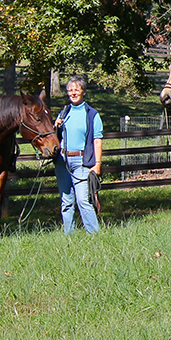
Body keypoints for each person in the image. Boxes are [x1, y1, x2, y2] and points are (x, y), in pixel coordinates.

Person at [54, 76, 102, 234]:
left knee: (82, 200)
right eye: (70, 90)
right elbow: (54, 137)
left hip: (82, 161)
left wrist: (97, 164)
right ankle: (69, 235)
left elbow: (97, 140)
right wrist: (56, 127)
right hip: (63, 161)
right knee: (66, 201)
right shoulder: (64, 112)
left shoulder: (92, 114)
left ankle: (94, 234)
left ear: (83, 92)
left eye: (76, 90)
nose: (73, 93)